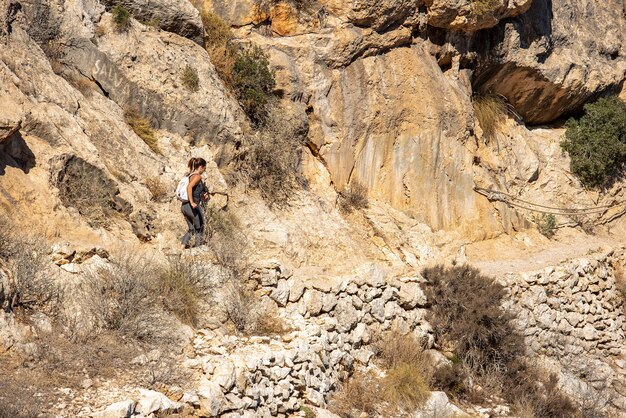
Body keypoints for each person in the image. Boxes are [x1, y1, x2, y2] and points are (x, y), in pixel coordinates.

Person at [181, 157, 209, 248]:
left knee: (192, 229)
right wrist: (192, 202)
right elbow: (189, 187)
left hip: (184, 207)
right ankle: (198, 249)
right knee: (199, 228)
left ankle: (181, 248)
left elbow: (194, 191)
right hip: (191, 207)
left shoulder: (189, 175)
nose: (204, 171)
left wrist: (203, 195)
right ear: (201, 167)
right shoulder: (197, 176)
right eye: (204, 168)